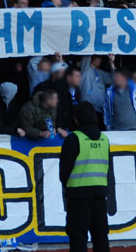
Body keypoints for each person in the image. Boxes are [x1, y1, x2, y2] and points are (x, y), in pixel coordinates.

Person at [59, 102, 111, 252]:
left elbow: (64, 171)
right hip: (100, 194)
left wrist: (68, 187)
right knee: (101, 236)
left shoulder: (73, 139)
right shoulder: (104, 139)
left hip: (78, 195)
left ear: (77, 119)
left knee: (78, 238)